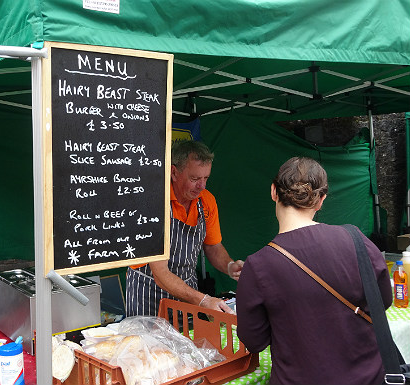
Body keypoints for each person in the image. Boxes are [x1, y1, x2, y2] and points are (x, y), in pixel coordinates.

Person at [236, 157, 392, 385]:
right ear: (321, 200)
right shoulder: (358, 240)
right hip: (370, 377)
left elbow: (254, 340)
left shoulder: (258, 265)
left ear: (273, 192)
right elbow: (383, 302)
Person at [126, 140, 244, 316]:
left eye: (206, 178)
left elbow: (212, 246)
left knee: (189, 342)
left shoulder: (206, 201)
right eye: (195, 179)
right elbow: (160, 274)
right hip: (149, 293)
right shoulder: (153, 203)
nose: (202, 186)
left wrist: (229, 266)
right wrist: (203, 300)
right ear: (174, 172)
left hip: (189, 292)